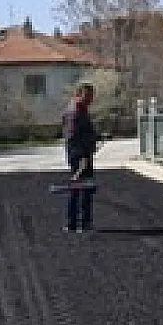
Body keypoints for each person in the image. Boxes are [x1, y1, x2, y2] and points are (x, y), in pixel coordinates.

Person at [62, 82, 98, 232]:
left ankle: (81, 222)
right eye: (88, 95)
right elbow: (72, 136)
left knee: (84, 188)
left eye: (92, 96)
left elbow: (85, 132)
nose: (91, 99)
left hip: (82, 153)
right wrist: (83, 155)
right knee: (80, 187)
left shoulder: (81, 109)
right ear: (79, 94)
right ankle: (75, 223)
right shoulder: (74, 111)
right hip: (79, 155)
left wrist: (97, 137)